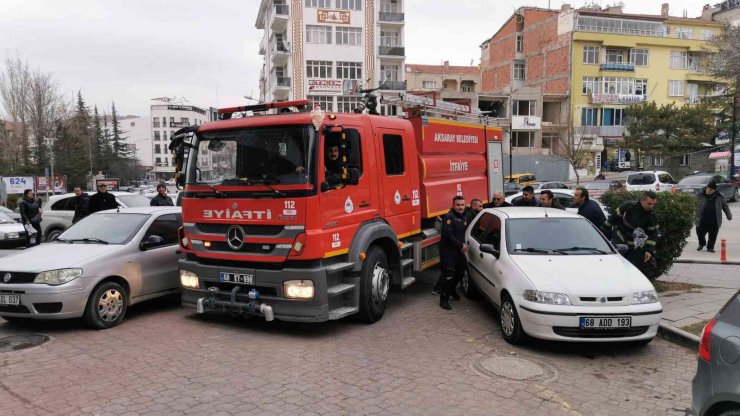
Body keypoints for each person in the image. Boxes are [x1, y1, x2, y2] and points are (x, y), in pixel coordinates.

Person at [603, 191, 659, 270]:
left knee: (632, 268)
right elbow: (613, 218)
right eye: (649, 203)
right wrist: (602, 231)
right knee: (617, 266)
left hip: (635, 247)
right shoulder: (628, 206)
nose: (651, 206)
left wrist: (648, 250)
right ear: (642, 200)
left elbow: (653, 234)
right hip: (620, 240)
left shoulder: (652, 216)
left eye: (653, 204)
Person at [439, 196, 469, 310]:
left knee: (461, 273)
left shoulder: (465, 216)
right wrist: (460, 245)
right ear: (453, 205)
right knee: (448, 276)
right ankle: (443, 300)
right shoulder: (449, 217)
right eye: (458, 205)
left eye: (462, 205)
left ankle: (452, 290)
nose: (460, 207)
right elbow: (448, 235)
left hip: (459, 251)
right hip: (448, 252)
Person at [696, 181, 732, 253]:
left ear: (714, 190)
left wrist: (729, 215)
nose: (708, 190)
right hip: (701, 219)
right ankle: (702, 243)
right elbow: (692, 203)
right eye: (707, 188)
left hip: (714, 220)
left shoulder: (719, 196)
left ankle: (710, 247)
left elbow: (725, 206)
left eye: (710, 189)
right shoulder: (700, 195)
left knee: (713, 235)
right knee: (699, 233)